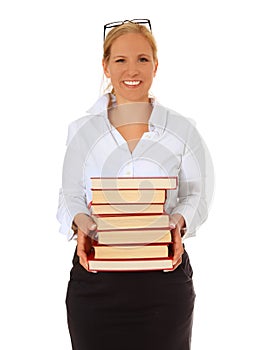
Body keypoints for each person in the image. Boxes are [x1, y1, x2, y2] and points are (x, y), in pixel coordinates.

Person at [57, 19, 214, 350]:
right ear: (105, 66)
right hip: (96, 281)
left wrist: (177, 222)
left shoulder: (182, 129)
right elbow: (70, 196)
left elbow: (196, 193)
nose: (133, 70)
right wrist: (82, 223)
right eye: (120, 60)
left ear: (156, 65)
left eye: (143, 59)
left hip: (163, 282)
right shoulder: (82, 130)